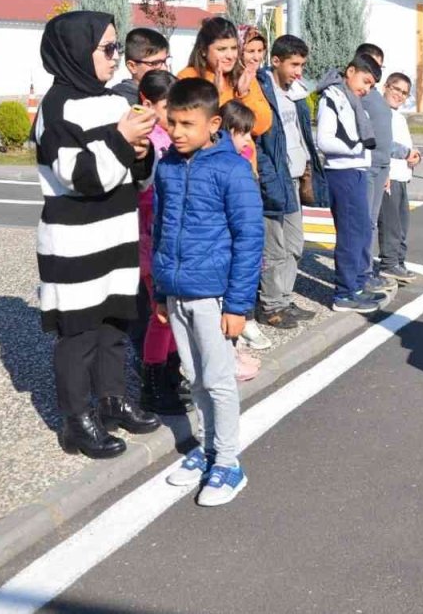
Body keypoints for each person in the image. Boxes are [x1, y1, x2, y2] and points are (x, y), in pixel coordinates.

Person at [34, 10, 161, 459]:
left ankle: (111, 400)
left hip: (116, 233)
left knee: (113, 325)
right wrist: (125, 140)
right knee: (79, 334)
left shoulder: (112, 101)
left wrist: (141, 152)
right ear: (75, 53)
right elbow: (81, 176)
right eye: (107, 49)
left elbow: (134, 171)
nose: (114, 57)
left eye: (116, 48)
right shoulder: (55, 110)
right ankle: (76, 420)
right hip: (75, 241)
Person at [153, 78, 264, 507]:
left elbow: (248, 237)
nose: (177, 132)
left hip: (215, 298)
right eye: (173, 123)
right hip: (177, 293)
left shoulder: (231, 168)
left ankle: (229, 463)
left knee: (219, 381)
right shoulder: (167, 166)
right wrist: (161, 291)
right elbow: (160, 230)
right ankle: (208, 447)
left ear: (213, 123)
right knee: (195, 378)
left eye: (187, 124)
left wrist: (238, 305)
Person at [255, 35, 323, 332]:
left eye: (302, 65)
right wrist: (269, 176)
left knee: (295, 245)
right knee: (275, 247)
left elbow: (300, 133)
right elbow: (260, 141)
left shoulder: (296, 91)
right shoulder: (262, 90)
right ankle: (270, 305)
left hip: (296, 178)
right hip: (275, 180)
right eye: (294, 65)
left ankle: (283, 297)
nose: (299, 71)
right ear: (276, 61)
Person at [314, 53, 391, 313]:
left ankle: (357, 285)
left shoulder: (351, 100)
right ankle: (344, 294)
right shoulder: (332, 97)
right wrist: (356, 148)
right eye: (365, 81)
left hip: (356, 171)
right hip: (342, 173)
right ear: (350, 71)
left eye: (371, 86)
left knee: (360, 233)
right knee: (349, 235)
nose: (366, 88)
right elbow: (323, 140)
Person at [135, 69, 191, 416]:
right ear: (147, 103)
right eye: (166, 106)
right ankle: (151, 383)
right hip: (149, 235)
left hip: (171, 233)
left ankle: (170, 370)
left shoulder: (169, 135)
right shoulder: (144, 140)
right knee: (160, 315)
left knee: (174, 311)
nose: (172, 116)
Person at [217, 100, 265, 383]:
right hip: (226, 248)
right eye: (243, 133)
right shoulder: (229, 166)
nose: (248, 140)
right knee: (224, 308)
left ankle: (234, 350)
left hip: (236, 247)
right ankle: (227, 358)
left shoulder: (241, 161)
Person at [356, 44, 409, 290]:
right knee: (370, 224)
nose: (399, 95)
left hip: (388, 171)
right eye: (396, 89)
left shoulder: (383, 105)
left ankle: (378, 267)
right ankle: (368, 271)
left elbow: (387, 141)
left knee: (386, 223)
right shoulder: (364, 99)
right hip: (369, 169)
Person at [177, 16, 273, 138]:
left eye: (234, 48)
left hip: (243, 155)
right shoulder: (188, 78)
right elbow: (191, 127)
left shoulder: (243, 76)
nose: (230, 56)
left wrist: (245, 95)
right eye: (221, 49)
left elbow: (262, 125)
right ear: (203, 50)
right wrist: (214, 96)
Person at [379, 72, 421, 283]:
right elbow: (381, 145)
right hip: (390, 177)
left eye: (404, 93)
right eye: (396, 89)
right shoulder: (380, 113)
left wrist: (415, 156)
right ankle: (389, 263)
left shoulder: (399, 118)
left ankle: (398, 261)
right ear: (386, 87)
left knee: (402, 224)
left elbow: (408, 145)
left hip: (402, 176)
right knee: (390, 224)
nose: (400, 96)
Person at [111, 28, 170, 106]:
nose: (164, 68)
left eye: (165, 61)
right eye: (155, 63)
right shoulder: (122, 101)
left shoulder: (167, 92)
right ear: (132, 66)